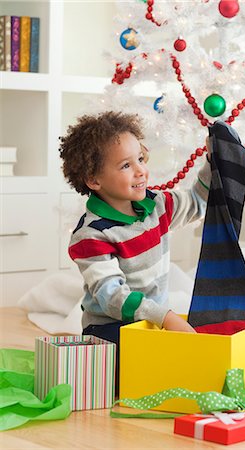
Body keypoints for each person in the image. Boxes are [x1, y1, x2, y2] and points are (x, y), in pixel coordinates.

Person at [59, 110, 211, 390]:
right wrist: (166, 318)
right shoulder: (91, 235)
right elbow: (112, 297)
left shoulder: (157, 206)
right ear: (94, 180)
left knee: (195, 357)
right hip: (108, 329)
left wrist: (213, 162)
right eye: (126, 166)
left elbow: (198, 202)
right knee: (148, 374)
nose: (141, 171)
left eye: (140, 159)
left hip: (149, 321)